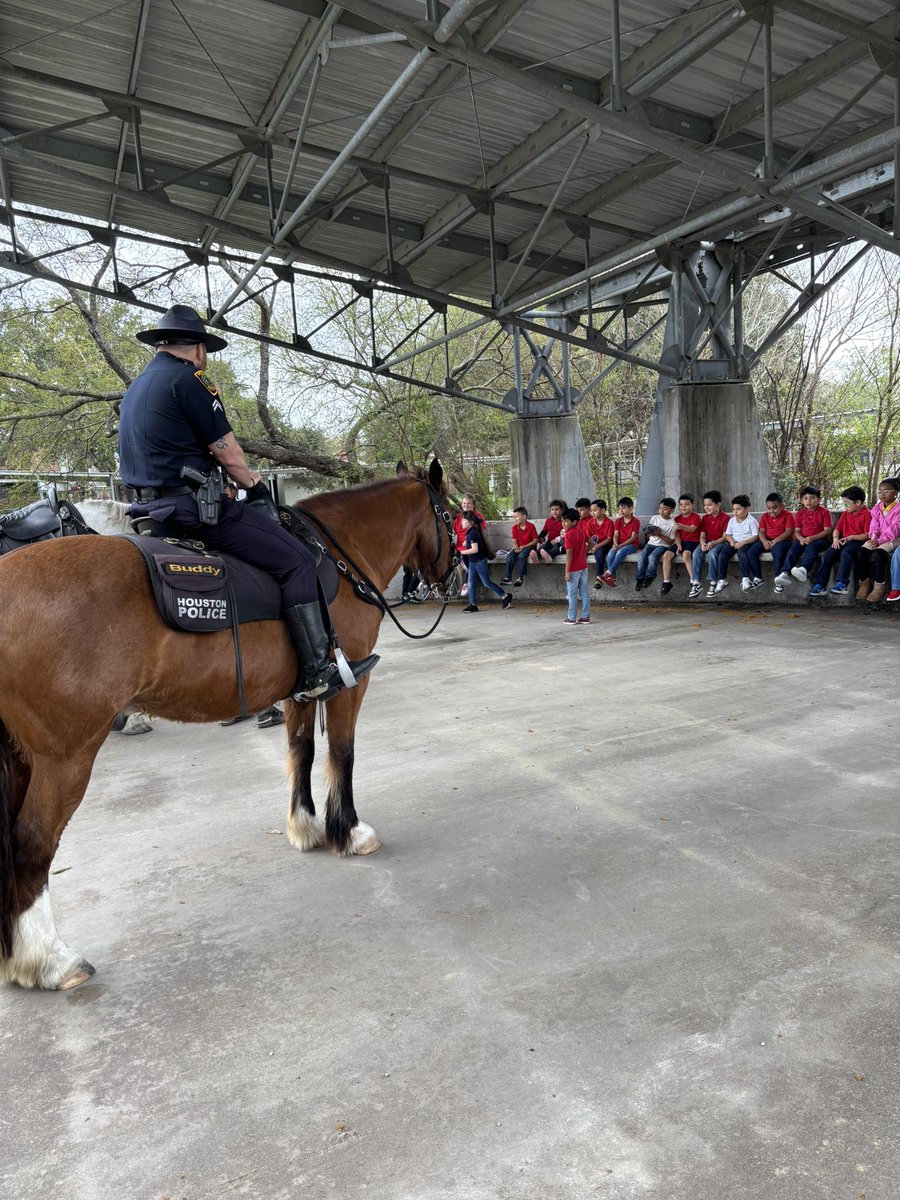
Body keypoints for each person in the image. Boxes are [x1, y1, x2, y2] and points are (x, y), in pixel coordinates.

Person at [117, 304, 377, 703]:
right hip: (194, 512)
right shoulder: (191, 381)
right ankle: (317, 671)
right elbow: (229, 454)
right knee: (297, 559)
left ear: (160, 345)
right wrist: (253, 485)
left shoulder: (135, 389)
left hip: (147, 513)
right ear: (199, 350)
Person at [808, 487, 870, 596]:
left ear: (858, 503)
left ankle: (842, 584)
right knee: (827, 554)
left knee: (845, 554)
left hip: (858, 542)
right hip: (844, 540)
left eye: (847, 503)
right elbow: (837, 530)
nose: (846, 506)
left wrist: (852, 537)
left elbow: (867, 534)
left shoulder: (867, 514)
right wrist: (835, 539)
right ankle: (820, 585)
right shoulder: (846, 513)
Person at [855, 477, 900, 603]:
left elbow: (895, 528)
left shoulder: (898, 509)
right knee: (863, 551)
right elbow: (874, 525)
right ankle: (864, 583)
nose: (882, 495)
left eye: (886, 492)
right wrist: (874, 537)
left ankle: (880, 585)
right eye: (880, 492)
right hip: (878, 538)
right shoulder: (877, 508)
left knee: (879, 553)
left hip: (894, 538)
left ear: (895, 493)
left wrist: (880, 541)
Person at [458, 512, 512, 612]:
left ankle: (505, 595)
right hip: (472, 562)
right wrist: (466, 542)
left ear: (470, 522)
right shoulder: (470, 532)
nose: (461, 522)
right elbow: (468, 542)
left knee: (486, 583)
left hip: (479, 562)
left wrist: (461, 552)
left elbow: (475, 549)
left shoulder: (473, 533)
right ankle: (473, 605)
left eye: (464, 520)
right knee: (470, 584)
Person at [778, 486, 832, 585]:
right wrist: (801, 539)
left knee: (811, 548)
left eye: (812, 498)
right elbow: (797, 531)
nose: (809, 501)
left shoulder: (825, 512)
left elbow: (827, 531)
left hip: (821, 539)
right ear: (802, 500)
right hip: (804, 539)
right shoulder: (800, 513)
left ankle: (803, 570)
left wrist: (813, 538)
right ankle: (785, 573)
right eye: (805, 498)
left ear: (818, 499)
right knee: (793, 549)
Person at [751, 493, 795, 594]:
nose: (771, 511)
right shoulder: (765, 516)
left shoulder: (788, 515)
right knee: (751, 552)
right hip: (767, 540)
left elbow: (788, 532)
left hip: (784, 541)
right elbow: (761, 532)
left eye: (774, 508)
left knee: (777, 551)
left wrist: (774, 541)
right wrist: (764, 541)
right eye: (769, 508)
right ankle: (758, 577)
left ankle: (779, 579)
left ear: (782, 506)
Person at [719, 494, 761, 591]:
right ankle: (722, 579)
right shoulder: (732, 520)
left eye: (738, 509)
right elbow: (728, 534)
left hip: (747, 543)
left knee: (742, 553)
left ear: (747, 509)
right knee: (722, 555)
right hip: (734, 543)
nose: (735, 512)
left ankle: (745, 578)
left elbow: (756, 536)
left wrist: (743, 543)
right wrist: (731, 541)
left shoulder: (752, 521)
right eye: (733, 509)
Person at [634, 498, 677, 593]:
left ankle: (650, 576)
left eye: (665, 509)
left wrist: (660, 535)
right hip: (650, 544)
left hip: (663, 546)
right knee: (641, 558)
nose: (661, 511)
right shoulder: (654, 518)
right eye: (660, 508)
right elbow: (648, 533)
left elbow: (671, 541)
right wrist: (649, 531)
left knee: (652, 557)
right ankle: (640, 579)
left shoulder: (673, 524)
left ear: (672, 510)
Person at [694, 490, 730, 597]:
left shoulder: (726, 518)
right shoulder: (705, 518)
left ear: (718, 504)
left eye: (709, 505)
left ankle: (713, 581)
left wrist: (713, 544)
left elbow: (725, 537)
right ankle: (696, 582)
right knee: (696, 553)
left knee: (712, 554)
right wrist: (702, 543)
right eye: (705, 505)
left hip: (721, 542)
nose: (706, 507)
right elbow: (702, 536)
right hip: (708, 541)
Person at [601, 497, 640, 587]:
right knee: (610, 555)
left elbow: (633, 538)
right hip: (619, 544)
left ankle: (608, 573)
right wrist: (615, 543)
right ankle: (612, 578)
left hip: (631, 545)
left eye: (623, 508)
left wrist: (622, 545)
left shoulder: (636, 521)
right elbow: (616, 535)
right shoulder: (618, 521)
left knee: (619, 553)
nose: (620, 510)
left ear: (630, 509)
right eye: (619, 508)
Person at [562, 507, 590, 624]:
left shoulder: (569, 534)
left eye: (566, 521)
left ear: (574, 522)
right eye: (562, 521)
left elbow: (569, 554)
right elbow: (592, 543)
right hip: (584, 566)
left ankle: (572, 618)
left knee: (572, 594)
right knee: (584, 591)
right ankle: (585, 617)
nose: (563, 524)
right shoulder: (580, 531)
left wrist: (567, 572)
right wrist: (584, 552)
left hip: (573, 568)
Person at [501, 506, 539, 587]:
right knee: (510, 556)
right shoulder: (514, 527)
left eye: (516, 516)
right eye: (513, 517)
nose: (514, 519)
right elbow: (514, 540)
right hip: (519, 547)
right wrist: (516, 547)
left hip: (530, 546)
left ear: (524, 516)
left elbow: (535, 540)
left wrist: (524, 546)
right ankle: (507, 578)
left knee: (521, 556)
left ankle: (520, 578)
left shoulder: (531, 526)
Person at [673, 494, 702, 597]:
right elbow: (676, 535)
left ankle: (693, 580)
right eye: (681, 504)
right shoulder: (677, 518)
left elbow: (692, 529)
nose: (683, 507)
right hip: (682, 542)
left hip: (694, 541)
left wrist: (682, 526)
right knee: (668, 554)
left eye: (687, 504)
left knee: (686, 554)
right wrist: (678, 544)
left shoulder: (696, 517)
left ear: (692, 505)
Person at [584, 499, 615, 588]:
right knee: (582, 553)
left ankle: (599, 579)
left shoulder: (609, 522)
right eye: (591, 511)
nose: (592, 513)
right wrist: (590, 546)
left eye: (595, 510)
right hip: (594, 545)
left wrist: (596, 546)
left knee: (599, 554)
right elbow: (588, 538)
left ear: (602, 510)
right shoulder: (590, 523)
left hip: (606, 545)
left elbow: (609, 539)